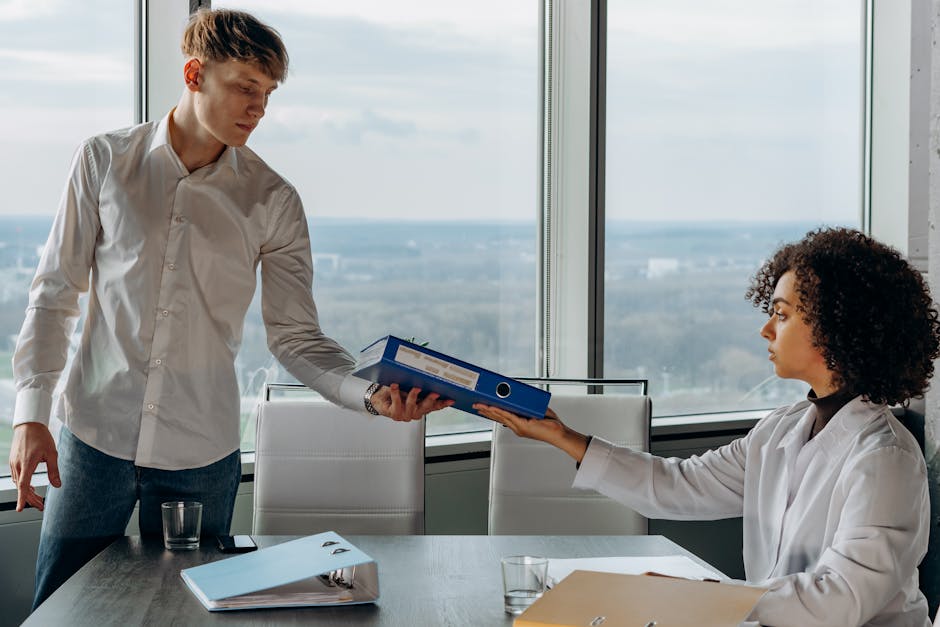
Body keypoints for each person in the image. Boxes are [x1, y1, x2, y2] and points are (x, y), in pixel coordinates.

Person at [8, 8, 452, 609]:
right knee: (63, 610)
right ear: (195, 75)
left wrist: (370, 395)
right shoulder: (104, 161)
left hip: (200, 454)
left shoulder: (273, 199)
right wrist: (31, 413)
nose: (258, 108)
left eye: (267, 94)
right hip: (92, 438)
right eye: (245, 87)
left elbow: (296, 335)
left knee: (190, 615)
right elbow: (55, 292)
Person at [475, 227, 938, 626]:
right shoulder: (780, 431)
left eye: (781, 314)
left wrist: (706, 599)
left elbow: (841, 600)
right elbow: (680, 484)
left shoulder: (884, 459)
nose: (765, 330)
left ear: (838, 327)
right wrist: (562, 436)